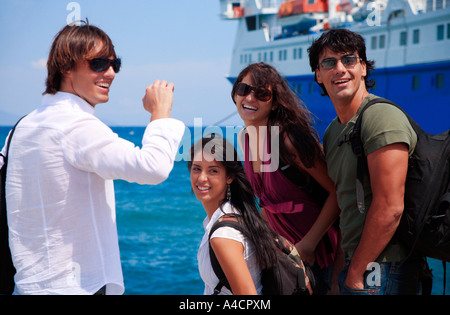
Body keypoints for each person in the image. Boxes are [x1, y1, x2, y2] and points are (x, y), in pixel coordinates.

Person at [0, 22, 185, 295]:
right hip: (77, 287)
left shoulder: (20, 128)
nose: (110, 73)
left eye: (115, 64)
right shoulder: (76, 125)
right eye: (98, 63)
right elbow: (153, 168)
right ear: (66, 66)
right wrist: (160, 113)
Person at [308, 28, 426, 295]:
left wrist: (355, 273)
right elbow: (347, 205)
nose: (339, 69)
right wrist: (342, 272)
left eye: (348, 60)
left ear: (363, 67)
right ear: (318, 74)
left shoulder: (380, 117)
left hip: (386, 268)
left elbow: (390, 207)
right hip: (359, 265)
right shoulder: (333, 132)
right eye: (329, 63)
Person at [231, 62, 341, 294]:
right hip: (281, 256)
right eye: (243, 89)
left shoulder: (288, 141)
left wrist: (308, 245)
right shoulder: (245, 139)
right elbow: (267, 204)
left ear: (274, 101)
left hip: (317, 256)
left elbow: (337, 192)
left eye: (261, 93)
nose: (249, 98)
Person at [188, 135, 279, 295]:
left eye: (213, 171)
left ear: (229, 176)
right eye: (196, 168)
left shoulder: (224, 235)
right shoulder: (236, 214)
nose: (201, 178)